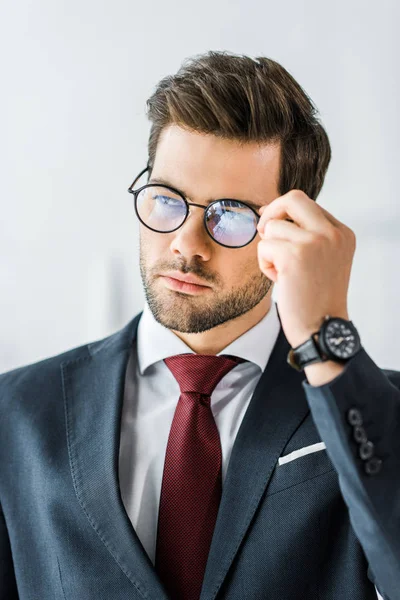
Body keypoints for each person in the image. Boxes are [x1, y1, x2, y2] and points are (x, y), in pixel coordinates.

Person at [0, 50, 399, 600]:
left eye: (231, 214)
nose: (187, 244)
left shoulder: (371, 406)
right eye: (166, 200)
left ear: (291, 228)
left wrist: (327, 333)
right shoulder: (18, 410)